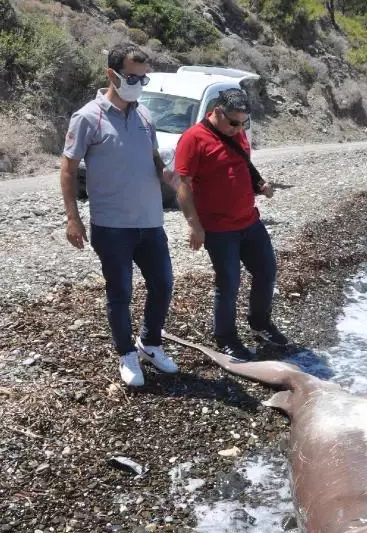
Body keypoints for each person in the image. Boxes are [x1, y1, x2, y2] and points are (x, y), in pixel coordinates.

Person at [60, 42, 179, 388]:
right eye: (132, 77)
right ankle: (126, 353)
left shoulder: (144, 115)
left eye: (144, 79)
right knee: (120, 292)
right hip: (112, 227)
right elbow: (67, 169)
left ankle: (150, 344)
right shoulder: (88, 117)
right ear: (112, 74)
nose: (139, 85)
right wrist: (73, 218)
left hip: (151, 223)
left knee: (163, 284)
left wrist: (165, 173)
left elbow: (153, 157)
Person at [174, 87, 288, 361]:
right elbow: (182, 185)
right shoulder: (193, 139)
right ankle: (225, 337)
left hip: (249, 221)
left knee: (266, 271)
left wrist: (259, 185)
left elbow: (239, 166)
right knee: (228, 282)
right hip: (218, 228)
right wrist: (194, 225)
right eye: (234, 123)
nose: (238, 129)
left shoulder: (237, 133)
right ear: (216, 112)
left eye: (243, 123)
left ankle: (260, 323)